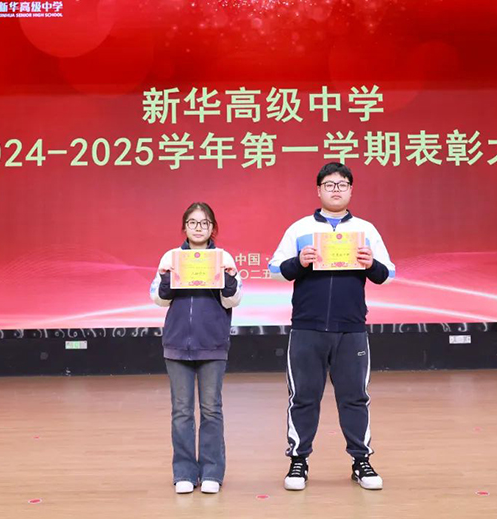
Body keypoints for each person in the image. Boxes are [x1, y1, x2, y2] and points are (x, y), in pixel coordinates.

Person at [268, 162, 395, 491]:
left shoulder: (366, 230)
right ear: (318, 190)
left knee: (355, 398)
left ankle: (361, 461)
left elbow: (387, 274)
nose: (335, 190)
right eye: (329, 185)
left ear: (351, 190)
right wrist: (300, 262)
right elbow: (275, 270)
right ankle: (298, 461)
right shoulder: (300, 228)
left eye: (341, 185)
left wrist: (371, 264)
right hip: (307, 328)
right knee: (303, 397)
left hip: (351, 329)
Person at [150, 202, 242, 494]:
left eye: (204, 223)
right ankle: (185, 473)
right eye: (193, 222)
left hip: (212, 345)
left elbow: (233, 300)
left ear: (213, 227)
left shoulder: (223, 257)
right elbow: (159, 299)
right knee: (181, 412)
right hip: (177, 345)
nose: (198, 228)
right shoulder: (172, 257)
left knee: (211, 410)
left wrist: (229, 278)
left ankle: (212, 472)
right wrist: (165, 278)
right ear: (185, 227)